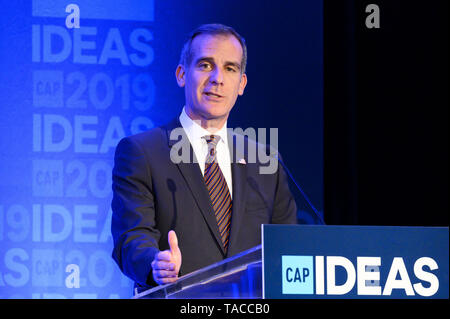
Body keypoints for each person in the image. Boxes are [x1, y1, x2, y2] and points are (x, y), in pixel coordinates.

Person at [111, 23, 297, 291]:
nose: (217, 79)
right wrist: (155, 264)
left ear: (241, 84)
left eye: (230, 68)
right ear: (181, 74)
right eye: (205, 65)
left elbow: (287, 247)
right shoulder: (142, 151)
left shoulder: (265, 159)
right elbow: (131, 238)